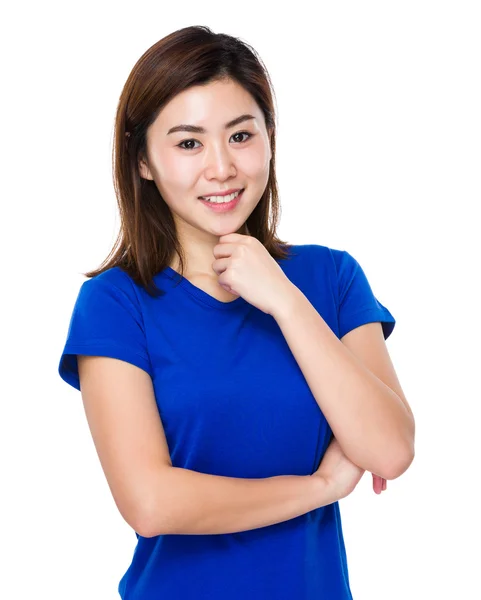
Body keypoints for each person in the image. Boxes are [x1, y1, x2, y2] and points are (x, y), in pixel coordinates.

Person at [58, 25, 415, 599]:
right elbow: (150, 504)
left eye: (241, 135)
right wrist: (320, 486)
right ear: (144, 161)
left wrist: (285, 300)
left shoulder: (330, 278)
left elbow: (390, 449)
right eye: (189, 143)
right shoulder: (117, 304)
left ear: (270, 139)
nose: (222, 168)